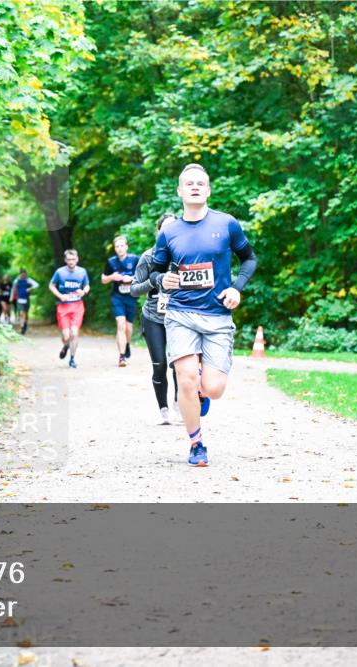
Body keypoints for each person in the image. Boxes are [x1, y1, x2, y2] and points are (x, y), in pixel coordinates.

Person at [147, 164, 258, 467]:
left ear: (208, 190)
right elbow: (155, 271)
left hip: (218, 316)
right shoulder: (169, 232)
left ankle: (200, 392)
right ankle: (196, 443)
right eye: (189, 183)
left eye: (201, 183)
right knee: (184, 379)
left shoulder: (227, 224)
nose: (195, 187)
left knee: (213, 388)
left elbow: (248, 259)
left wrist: (237, 288)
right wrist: (161, 281)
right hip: (181, 313)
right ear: (180, 191)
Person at [131, 213, 180, 425]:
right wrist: (153, 282)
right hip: (153, 317)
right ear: (158, 232)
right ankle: (164, 410)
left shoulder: (184, 255)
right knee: (160, 364)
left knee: (180, 364)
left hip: (179, 317)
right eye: (165, 229)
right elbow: (133, 289)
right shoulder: (148, 257)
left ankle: (180, 406)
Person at [101, 235, 141, 367]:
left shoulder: (135, 259)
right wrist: (112, 277)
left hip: (131, 297)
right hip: (117, 297)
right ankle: (122, 357)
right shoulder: (111, 262)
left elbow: (143, 275)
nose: (119, 248)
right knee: (120, 324)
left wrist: (131, 278)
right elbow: (103, 279)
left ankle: (127, 344)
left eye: (122, 245)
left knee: (129, 328)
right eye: (117, 246)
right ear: (115, 248)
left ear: (126, 246)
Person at [49, 249, 90, 369]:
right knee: (66, 335)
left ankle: (72, 359)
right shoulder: (60, 272)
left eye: (73, 259)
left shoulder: (82, 272)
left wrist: (84, 291)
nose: (71, 262)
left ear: (77, 259)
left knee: (74, 332)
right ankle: (66, 345)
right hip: (63, 307)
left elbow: (87, 285)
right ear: (65, 260)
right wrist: (60, 295)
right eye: (69, 259)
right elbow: (51, 285)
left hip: (77, 306)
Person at [11, 269, 39, 335]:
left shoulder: (28, 280)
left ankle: (25, 324)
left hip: (26, 299)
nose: (23, 275)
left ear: (25, 274)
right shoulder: (16, 281)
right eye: (22, 274)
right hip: (19, 299)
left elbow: (36, 285)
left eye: (24, 274)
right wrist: (11, 298)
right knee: (21, 313)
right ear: (20, 274)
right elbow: (13, 289)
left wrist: (30, 288)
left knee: (26, 314)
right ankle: (22, 326)